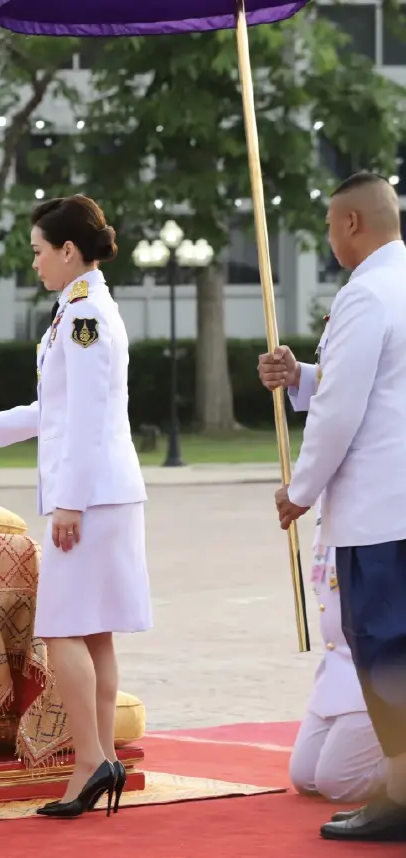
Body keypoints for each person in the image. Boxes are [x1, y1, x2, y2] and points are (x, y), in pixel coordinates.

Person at [0, 195, 150, 819]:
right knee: (94, 630)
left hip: (90, 496)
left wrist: (68, 503)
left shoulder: (85, 315)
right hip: (105, 492)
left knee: (61, 628)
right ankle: (100, 757)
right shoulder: (80, 309)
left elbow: (85, 416)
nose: (34, 262)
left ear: (68, 250)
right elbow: (57, 408)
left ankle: (90, 761)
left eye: (38, 251)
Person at [260, 172, 406, 842]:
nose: (328, 239)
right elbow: (380, 386)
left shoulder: (366, 293)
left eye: (328, 226)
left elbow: (342, 410)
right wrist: (304, 377)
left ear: (352, 223)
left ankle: (398, 796)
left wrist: (300, 489)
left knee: (384, 649)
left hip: (379, 510)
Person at [287, 511, 388, 803]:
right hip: (338, 669)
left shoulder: (384, 516)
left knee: (340, 783)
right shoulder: (332, 510)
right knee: (306, 777)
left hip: (377, 669)